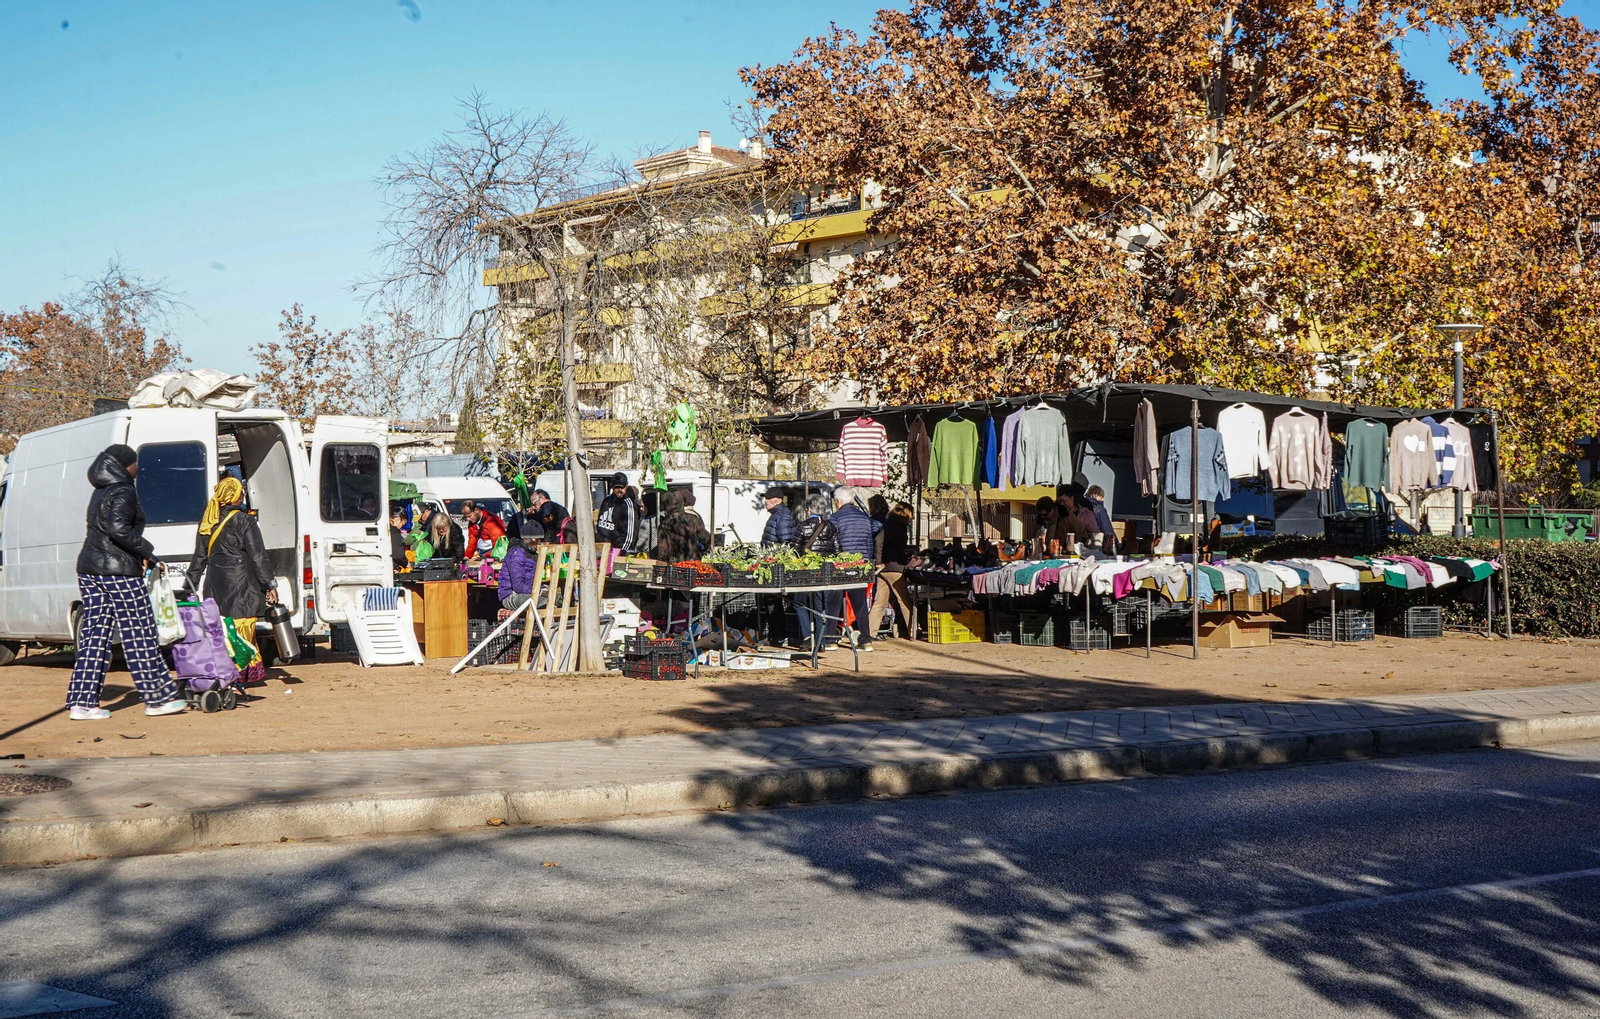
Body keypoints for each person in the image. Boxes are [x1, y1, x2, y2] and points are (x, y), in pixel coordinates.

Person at [66, 444, 186, 720]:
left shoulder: (100, 490)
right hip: (118, 571)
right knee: (139, 631)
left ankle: (82, 704)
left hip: (89, 569)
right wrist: (147, 551)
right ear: (124, 465)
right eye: (135, 463)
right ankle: (157, 698)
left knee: (95, 635)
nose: (138, 468)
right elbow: (118, 528)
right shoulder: (123, 490)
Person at [189, 477, 279, 684]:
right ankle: (240, 673)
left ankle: (224, 671)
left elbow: (199, 558)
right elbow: (258, 557)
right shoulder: (245, 521)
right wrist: (269, 585)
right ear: (235, 497)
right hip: (241, 585)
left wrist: (190, 586)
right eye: (241, 493)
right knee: (241, 628)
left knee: (220, 628)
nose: (243, 496)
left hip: (214, 586)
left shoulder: (208, 521)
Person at [827, 486, 878, 652]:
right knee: (860, 604)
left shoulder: (835, 518)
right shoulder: (865, 518)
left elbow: (832, 544)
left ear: (838, 501)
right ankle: (865, 639)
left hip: (840, 567)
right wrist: (866, 562)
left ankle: (831, 639)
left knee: (833, 603)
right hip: (860, 566)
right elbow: (869, 544)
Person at [791, 492, 840, 651]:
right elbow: (838, 552)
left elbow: (794, 551)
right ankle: (821, 642)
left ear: (809, 509)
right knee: (821, 608)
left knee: (798, 602)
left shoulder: (802, 526)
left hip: (805, 573)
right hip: (824, 572)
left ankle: (807, 636)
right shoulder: (831, 526)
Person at [868, 501, 917, 640]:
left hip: (883, 568)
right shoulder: (898, 526)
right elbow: (880, 541)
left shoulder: (888, 524)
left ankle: (871, 632)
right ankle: (912, 630)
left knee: (879, 601)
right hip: (894, 568)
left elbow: (879, 541)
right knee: (904, 600)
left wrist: (878, 562)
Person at [654, 489, 712, 563]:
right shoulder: (694, 519)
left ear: (668, 506)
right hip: (693, 564)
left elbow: (663, 552)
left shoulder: (664, 524)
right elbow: (707, 539)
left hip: (675, 566)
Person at [498, 534, 543, 611]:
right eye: (537, 539)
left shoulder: (533, 554)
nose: (539, 543)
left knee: (555, 598)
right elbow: (518, 585)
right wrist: (540, 591)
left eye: (540, 540)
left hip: (526, 592)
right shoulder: (516, 553)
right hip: (511, 595)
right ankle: (545, 623)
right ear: (528, 539)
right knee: (543, 602)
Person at [595, 472, 638, 550]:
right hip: (600, 549)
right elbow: (599, 523)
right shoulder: (606, 500)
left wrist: (621, 553)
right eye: (617, 487)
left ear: (626, 486)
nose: (620, 490)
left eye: (622, 487)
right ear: (612, 487)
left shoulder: (628, 505)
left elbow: (630, 535)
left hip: (616, 552)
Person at [1082, 484, 1117, 553]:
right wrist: (1116, 543)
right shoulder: (1100, 509)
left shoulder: (1081, 506)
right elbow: (1107, 529)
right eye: (1101, 496)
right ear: (1099, 496)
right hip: (1095, 541)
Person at [389, 503, 410, 570]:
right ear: (398, 519)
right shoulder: (394, 531)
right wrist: (406, 563)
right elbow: (398, 555)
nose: (401, 527)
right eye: (402, 524)